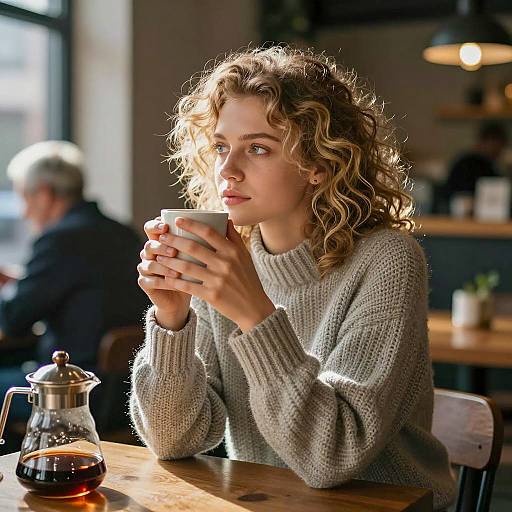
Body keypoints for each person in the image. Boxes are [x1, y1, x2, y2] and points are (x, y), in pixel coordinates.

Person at [130, 47, 456, 510]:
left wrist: (254, 314)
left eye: (258, 148)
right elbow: (175, 438)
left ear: (320, 163)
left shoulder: (387, 261)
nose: (227, 169)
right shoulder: (224, 260)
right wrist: (171, 318)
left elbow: (333, 457)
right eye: (222, 146)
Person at [0, 141, 148, 408]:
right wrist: (21, 281)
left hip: (75, 390)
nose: (24, 212)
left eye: (25, 198)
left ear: (44, 194)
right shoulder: (121, 232)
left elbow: (13, 319)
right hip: (127, 390)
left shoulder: (59, 240)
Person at [444, 121, 508, 203]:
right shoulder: (472, 164)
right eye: (496, 145)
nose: (499, 150)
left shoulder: (488, 164)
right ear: (484, 142)